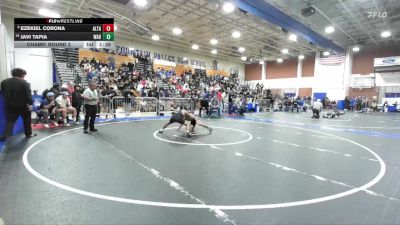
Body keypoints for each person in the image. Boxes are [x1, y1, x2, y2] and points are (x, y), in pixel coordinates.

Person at [0, 68, 36, 140]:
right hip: (23, 106)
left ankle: (6, 135)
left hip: (10, 105)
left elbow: (2, 93)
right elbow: (28, 96)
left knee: (10, 121)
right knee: (26, 121)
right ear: (22, 74)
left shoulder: (4, 82)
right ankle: (28, 134)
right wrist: (31, 103)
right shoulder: (24, 83)